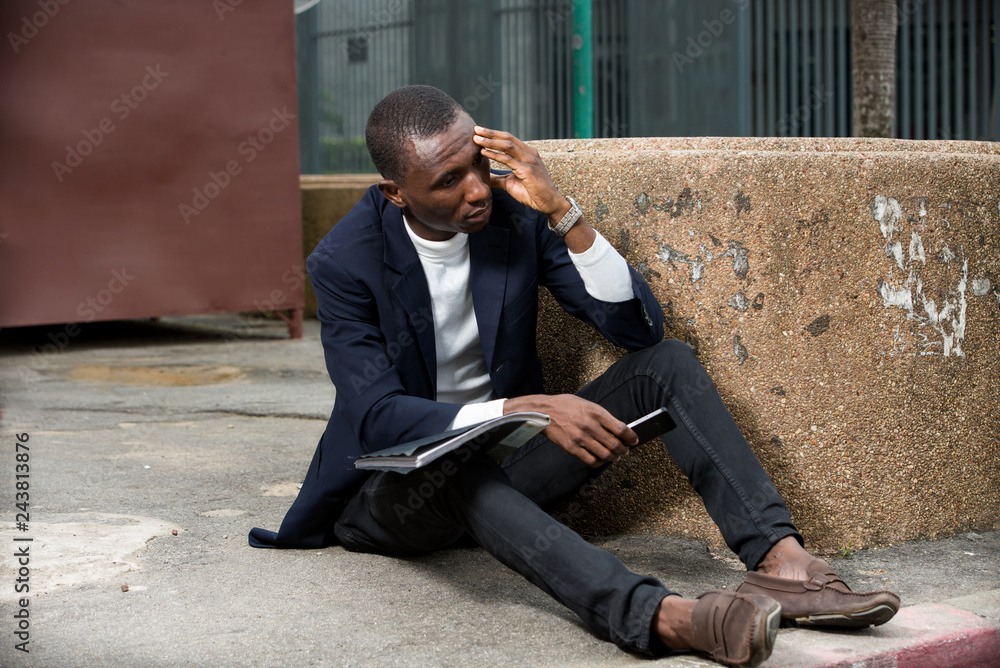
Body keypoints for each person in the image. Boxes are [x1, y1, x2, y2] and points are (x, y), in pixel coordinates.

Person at [250, 85, 899, 667]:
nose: (477, 189)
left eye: (478, 163)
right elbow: (376, 415)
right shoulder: (345, 261)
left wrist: (562, 211)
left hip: (510, 465)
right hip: (396, 492)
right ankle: (662, 617)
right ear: (396, 193)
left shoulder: (513, 218)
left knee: (668, 363)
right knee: (455, 467)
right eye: (449, 181)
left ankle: (781, 564)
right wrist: (522, 409)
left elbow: (637, 331)